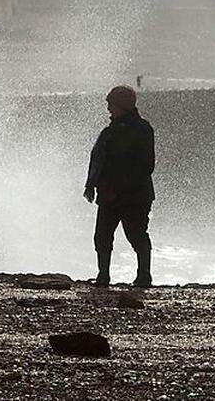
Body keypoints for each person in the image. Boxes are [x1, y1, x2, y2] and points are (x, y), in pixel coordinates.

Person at [83, 84, 156, 288]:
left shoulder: (142, 129)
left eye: (111, 104)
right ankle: (103, 277)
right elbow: (97, 160)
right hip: (110, 195)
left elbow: (146, 165)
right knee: (102, 237)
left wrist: (122, 186)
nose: (108, 109)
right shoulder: (110, 131)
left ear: (122, 106)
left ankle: (144, 277)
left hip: (133, 196)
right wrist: (91, 185)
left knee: (136, 235)